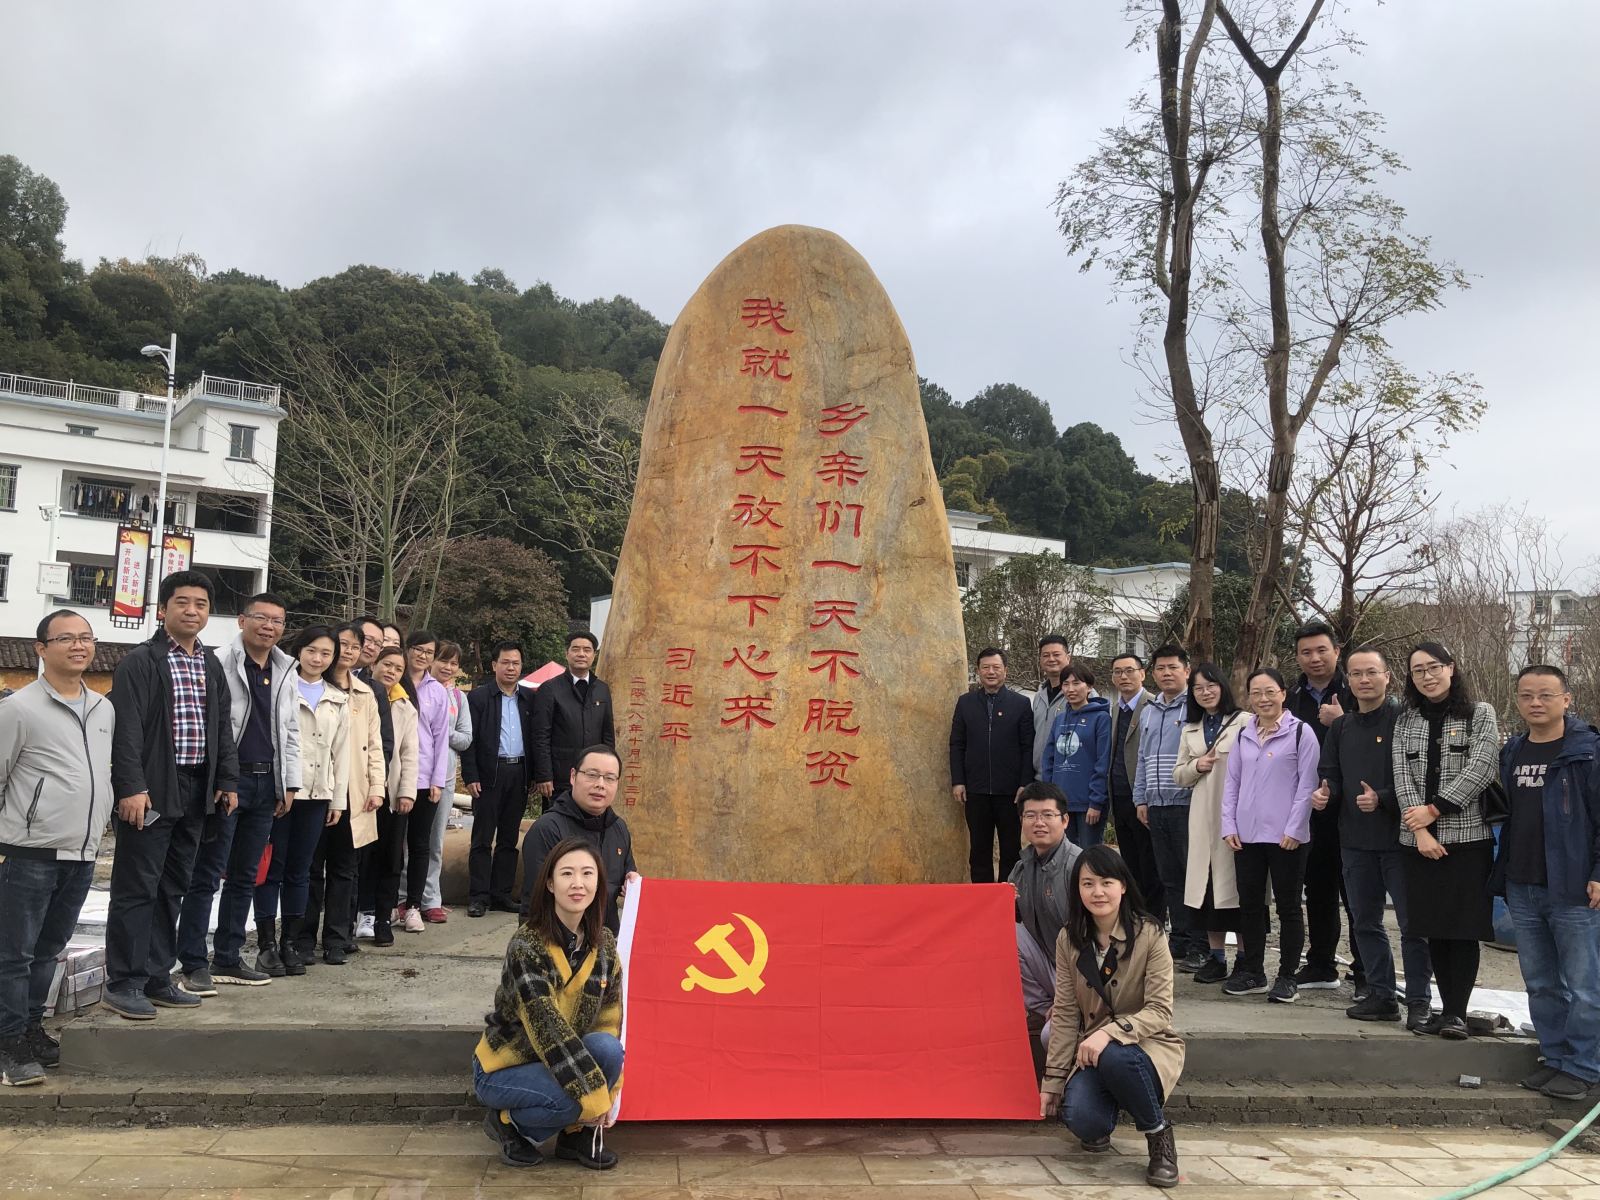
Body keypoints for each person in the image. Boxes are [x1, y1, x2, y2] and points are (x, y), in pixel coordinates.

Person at [104, 571, 240, 1021]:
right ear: (163, 609)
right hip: (152, 789)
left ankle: (156, 977)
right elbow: (126, 731)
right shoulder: (140, 662)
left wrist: (227, 780)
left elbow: (222, 727)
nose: (192, 611)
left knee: (172, 887)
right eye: (182, 602)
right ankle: (124, 982)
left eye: (201, 604)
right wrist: (131, 787)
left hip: (196, 789)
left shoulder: (210, 664)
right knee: (136, 887)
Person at [0, 611, 114, 1086]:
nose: (78, 645)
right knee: (13, 955)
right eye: (66, 638)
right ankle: (8, 1043)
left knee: (48, 950)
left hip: (81, 853)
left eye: (85, 637)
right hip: (28, 853)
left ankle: (30, 1029)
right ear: (41, 649)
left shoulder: (103, 708)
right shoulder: (18, 709)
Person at [175, 593, 301, 993]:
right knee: (207, 874)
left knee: (246, 876)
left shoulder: (286, 668)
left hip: (267, 781)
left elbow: (291, 730)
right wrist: (221, 780)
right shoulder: (218, 662)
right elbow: (212, 724)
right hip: (228, 781)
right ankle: (193, 961)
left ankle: (228, 956)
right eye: (261, 617)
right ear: (242, 621)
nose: (269, 626)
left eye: (277, 621)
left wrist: (289, 783)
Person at [474, 838, 624, 1170]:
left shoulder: (605, 944)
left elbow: (609, 1019)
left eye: (587, 873)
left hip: (559, 1059)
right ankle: (507, 1123)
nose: (578, 883)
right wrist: (595, 1099)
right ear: (550, 884)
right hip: (505, 1067)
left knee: (609, 1048)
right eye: (567, 873)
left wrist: (611, 1092)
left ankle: (576, 1137)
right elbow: (547, 1029)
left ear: (599, 883)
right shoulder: (527, 945)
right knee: (571, 1101)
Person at [1039, 845, 1183, 1189]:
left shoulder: (1150, 934)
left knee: (1117, 1055)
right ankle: (1113, 1098)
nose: (1098, 892)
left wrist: (1109, 1033)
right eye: (1088, 883)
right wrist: (1053, 1080)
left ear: (1123, 886)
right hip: (1092, 1052)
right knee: (1083, 1121)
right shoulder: (1069, 939)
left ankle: (1159, 1138)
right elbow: (1065, 1012)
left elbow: (1160, 1010)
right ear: (1077, 889)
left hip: (1145, 1046)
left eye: (1106, 882)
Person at [1493, 665, 1600, 1101]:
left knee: (1585, 985)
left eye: (1545, 695)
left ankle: (1585, 1066)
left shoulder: (1587, 752)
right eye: (1526, 695)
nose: (1535, 703)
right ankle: (1554, 1057)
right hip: (1522, 884)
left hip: (1573, 886)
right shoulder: (1513, 750)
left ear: (1566, 700)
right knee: (1540, 982)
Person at [1312, 647, 1433, 1029]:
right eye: (1356, 674)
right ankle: (1381, 995)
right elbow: (1331, 774)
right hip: (1354, 841)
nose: (1364, 680)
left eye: (1371, 672)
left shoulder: (1406, 721)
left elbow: (1422, 778)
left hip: (1402, 839)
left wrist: (1382, 798)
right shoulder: (1342, 727)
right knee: (1365, 922)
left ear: (1387, 677)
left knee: (1414, 926)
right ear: (1347, 679)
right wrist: (1325, 794)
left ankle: (1419, 1001)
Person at [1392, 642, 1500, 1040]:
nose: (1427, 676)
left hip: (1466, 838)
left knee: (1462, 927)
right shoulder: (1406, 720)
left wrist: (1435, 810)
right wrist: (1419, 829)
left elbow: (1481, 767)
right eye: (1418, 670)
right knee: (1433, 926)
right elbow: (1401, 775)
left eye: (1434, 667)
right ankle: (1442, 1011)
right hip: (1417, 840)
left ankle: (1457, 1012)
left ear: (1451, 668)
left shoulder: (1480, 713)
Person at [1220, 667, 1318, 1004]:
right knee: (1250, 906)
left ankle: (1288, 977)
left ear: (1283, 694)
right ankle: (1253, 971)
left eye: (1270, 692)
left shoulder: (1301, 733)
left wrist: (1295, 828)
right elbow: (1232, 783)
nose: (1263, 699)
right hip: (1246, 835)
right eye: (1256, 693)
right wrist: (1229, 825)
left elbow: (1307, 785)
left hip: (1286, 837)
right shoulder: (1243, 734)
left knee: (1288, 907)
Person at [295, 624, 385, 966]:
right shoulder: (312, 685)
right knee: (310, 867)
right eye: (342, 644)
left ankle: (336, 937)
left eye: (354, 646)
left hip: (353, 791)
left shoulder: (366, 693)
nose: (348, 651)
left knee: (344, 868)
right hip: (315, 790)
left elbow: (375, 745)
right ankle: (303, 938)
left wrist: (377, 787)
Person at [1286, 621, 1360, 993]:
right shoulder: (1291, 697)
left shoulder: (1357, 689)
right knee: (1317, 889)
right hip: (1309, 807)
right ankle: (1320, 965)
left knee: (1357, 893)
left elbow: (1376, 738)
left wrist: (1342, 721)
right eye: (1306, 652)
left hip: (1356, 807)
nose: (1314, 658)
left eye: (1321, 650)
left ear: (1337, 650)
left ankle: (1365, 972)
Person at [1173, 663, 1246, 985]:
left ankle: (1245, 959)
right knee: (1208, 891)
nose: (1205, 692)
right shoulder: (1191, 728)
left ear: (1222, 686)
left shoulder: (1244, 722)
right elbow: (1179, 775)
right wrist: (1197, 766)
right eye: (1198, 688)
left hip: (1238, 817)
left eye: (1211, 685)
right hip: (1202, 818)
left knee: (1238, 890)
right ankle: (1216, 958)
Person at [1134, 645, 1206, 971]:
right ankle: (1179, 941)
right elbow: (1142, 758)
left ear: (1187, 671)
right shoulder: (1149, 710)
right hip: (1157, 805)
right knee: (1170, 878)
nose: (1166, 673)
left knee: (1194, 877)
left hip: (1187, 802)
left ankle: (1201, 945)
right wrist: (1141, 798)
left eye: (1173, 667)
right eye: (1160, 668)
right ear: (1152, 673)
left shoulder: (1196, 706)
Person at [520, 746, 639, 933]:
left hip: (605, 938)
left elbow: (628, 872)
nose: (600, 784)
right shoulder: (548, 829)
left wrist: (631, 883)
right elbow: (537, 900)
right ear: (573, 776)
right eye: (592, 775)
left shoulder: (619, 828)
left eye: (609, 778)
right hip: (555, 937)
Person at [463, 642, 539, 917]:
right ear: (494, 665)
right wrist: (470, 775)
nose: (511, 668)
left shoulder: (529, 698)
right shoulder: (479, 698)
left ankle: (501, 894)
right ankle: (478, 896)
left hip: (519, 773)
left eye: (515, 663)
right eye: (505, 662)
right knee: (482, 838)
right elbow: (469, 741)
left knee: (509, 838)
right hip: (488, 775)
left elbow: (536, 738)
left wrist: (535, 774)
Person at [950, 647, 1035, 884]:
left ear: (1005, 671)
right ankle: (982, 899)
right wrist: (958, 780)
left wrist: (1025, 783)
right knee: (979, 851)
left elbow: (1028, 746)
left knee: (1011, 850)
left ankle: (1008, 898)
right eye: (985, 667)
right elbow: (957, 744)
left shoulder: (1020, 704)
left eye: (996, 667)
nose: (991, 672)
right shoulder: (966, 703)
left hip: (1010, 792)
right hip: (975, 790)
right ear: (978, 671)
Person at [1010, 782, 1083, 1044]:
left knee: (1050, 1037)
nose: (1039, 823)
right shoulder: (1021, 868)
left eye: (1047, 815)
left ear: (1065, 820)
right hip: (1049, 967)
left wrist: (1068, 998)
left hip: (1082, 975)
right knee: (1006, 932)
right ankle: (1042, 1009)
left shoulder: (1080, 867)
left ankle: (1066, 1011)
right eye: (1030, 815)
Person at [392, 631, 450, 932]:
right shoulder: (393, 681)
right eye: (418, 649)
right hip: (394, 776)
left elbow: (442, 739)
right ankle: (390, 902)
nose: (422, 656)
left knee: (419, 844)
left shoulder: (437, 691)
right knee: (391, 844)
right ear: (407, 649)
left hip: (425, 778)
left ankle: (414, 905)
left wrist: (438, 781)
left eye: (429, 652)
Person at [366, 647, 420, 946]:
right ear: (374, 664)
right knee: (361, 858)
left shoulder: (405, 706)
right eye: (387, 665)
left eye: (398, 669)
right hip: (360, 791)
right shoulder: (359, 695)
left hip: (392, 791)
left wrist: (407, 792)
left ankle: (383, 918)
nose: (391, 672)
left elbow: (410, 753)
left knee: (391, 858)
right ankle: (361, 913)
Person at [1106, 654, 1162, 924]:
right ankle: (1135, 919)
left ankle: (1154, 921)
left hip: (1143, 798)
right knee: (1129, 864)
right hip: (1118, 796)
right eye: (1118, 672)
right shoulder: (1116, 708)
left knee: (1150, 865)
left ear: (1143, 673)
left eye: (1129, 670)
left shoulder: (1153, 706)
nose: (1124, 677)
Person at [420, 641, 473, 923]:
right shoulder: (417, 688)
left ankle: (431, 899)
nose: (448, 667)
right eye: (443, 660)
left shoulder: (458, 698)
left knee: (435, 841)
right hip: (415, 776)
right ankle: (403, 897)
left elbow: (465, 738)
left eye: (454, 663)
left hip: (446, 777)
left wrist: (442, 731)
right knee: (408, 841)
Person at [531, 632, 614, 804]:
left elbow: (608, 735)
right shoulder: (550, 689)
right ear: (566, 654)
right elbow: (540, 736)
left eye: (587, 650)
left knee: (591, 819)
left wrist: (609, 773)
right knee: (558, 819)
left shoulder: (602, 689)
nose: (581, 654)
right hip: (559, 777)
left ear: (594, 655)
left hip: (594, 776)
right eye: (575, 649)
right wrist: (544, 775)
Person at [1042, 663, 1111, 849]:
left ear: (1089, 687)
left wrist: (1096, 802)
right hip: (1061, 803)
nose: (1070, 689)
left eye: (1076, 683)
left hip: (1088, 804)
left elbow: (1102, 762)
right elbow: (1049, 759)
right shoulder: (1059, 720)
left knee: (1089, 855)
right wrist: (1049, 797)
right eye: (1066, 684)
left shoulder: (1101, 718)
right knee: (1063, 855)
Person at [1031, 636, 1072, 776]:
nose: (1051, 659)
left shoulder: (1082, 694)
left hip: (1067, 776)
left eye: (1056, 654)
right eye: (1046, 655)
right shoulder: (1039, 696)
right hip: (1040, 777)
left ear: (1068, 657)